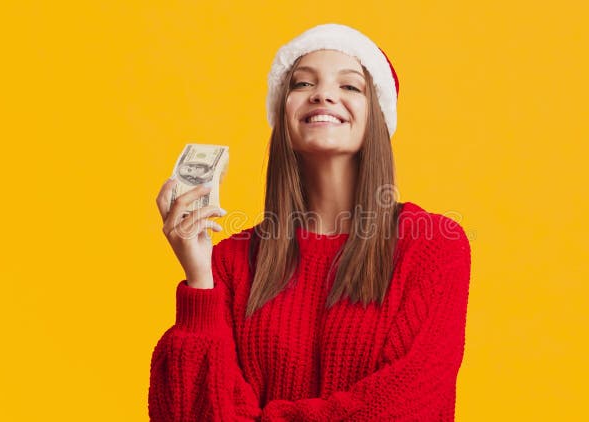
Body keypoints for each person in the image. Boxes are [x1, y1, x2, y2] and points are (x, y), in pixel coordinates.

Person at [149, 23, 472, 421]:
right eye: (302, 84)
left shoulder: (432, 248)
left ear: (378, 117)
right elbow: (183, 413)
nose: (323, 94)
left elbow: (409, 406)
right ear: (282, 115)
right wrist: (199, 280)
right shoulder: (228, 264)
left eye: (351, 86)